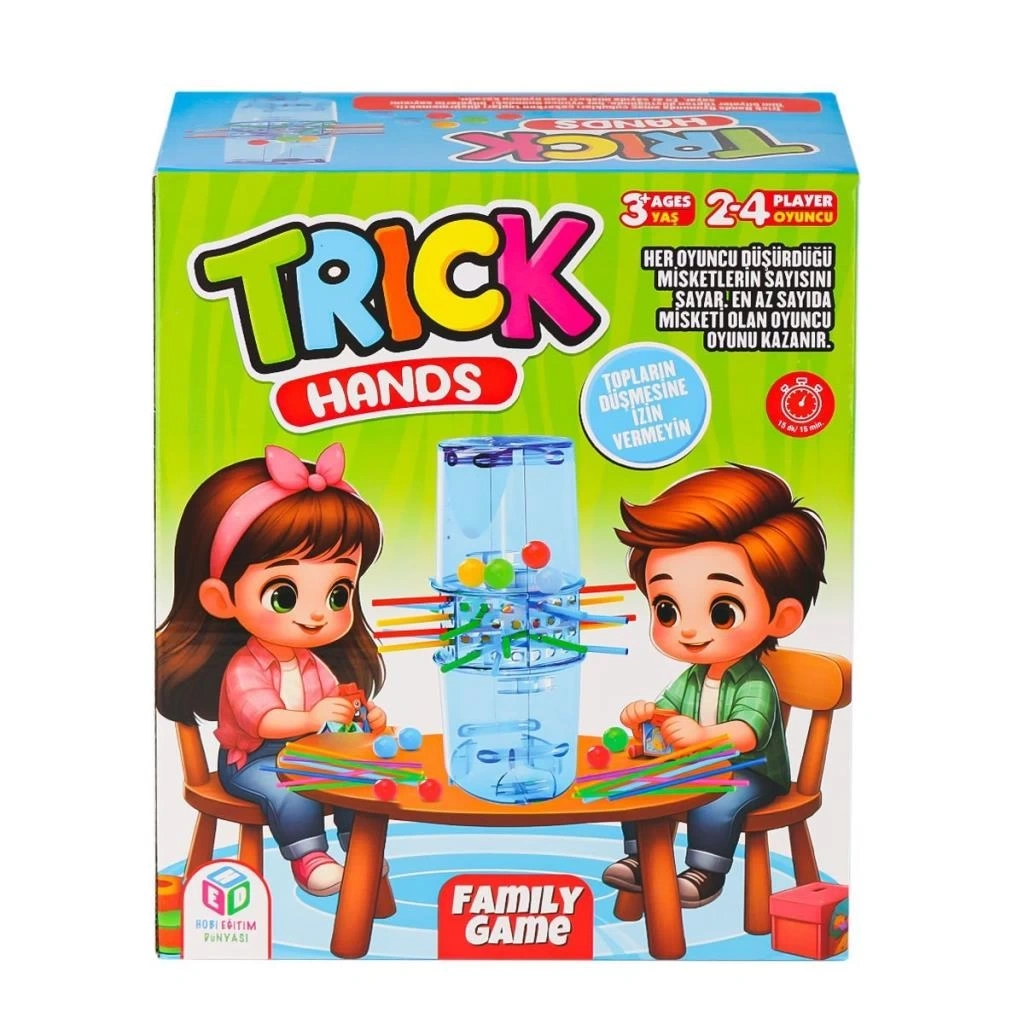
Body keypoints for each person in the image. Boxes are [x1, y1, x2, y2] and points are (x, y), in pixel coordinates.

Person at [157, 443, 387, 897]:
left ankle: (360, 847)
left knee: (359, 778)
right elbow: (264, 721)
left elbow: (334, 705)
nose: (317, 614)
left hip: (311, 752)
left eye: (338, 594)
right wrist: (314, 717)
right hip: (254, 762)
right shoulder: (243, 668)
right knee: (288, 789)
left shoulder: (312, 662)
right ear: (220, 598)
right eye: (284, 595)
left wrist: (362, 717)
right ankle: (309, 857)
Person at [601, 464, 826, 908]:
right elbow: (666, 714)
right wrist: (646, 716)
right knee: (640, 781)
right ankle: (641, 859)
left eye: (722, 611)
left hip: (753, 772)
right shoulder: (693, 676)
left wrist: (703, 735)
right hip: (701, 765)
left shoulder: (754, 680)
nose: (688, 630)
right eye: (667, 609)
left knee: (718, 801)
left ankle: (706, 871)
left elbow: (747, 734)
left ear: (782, 617)